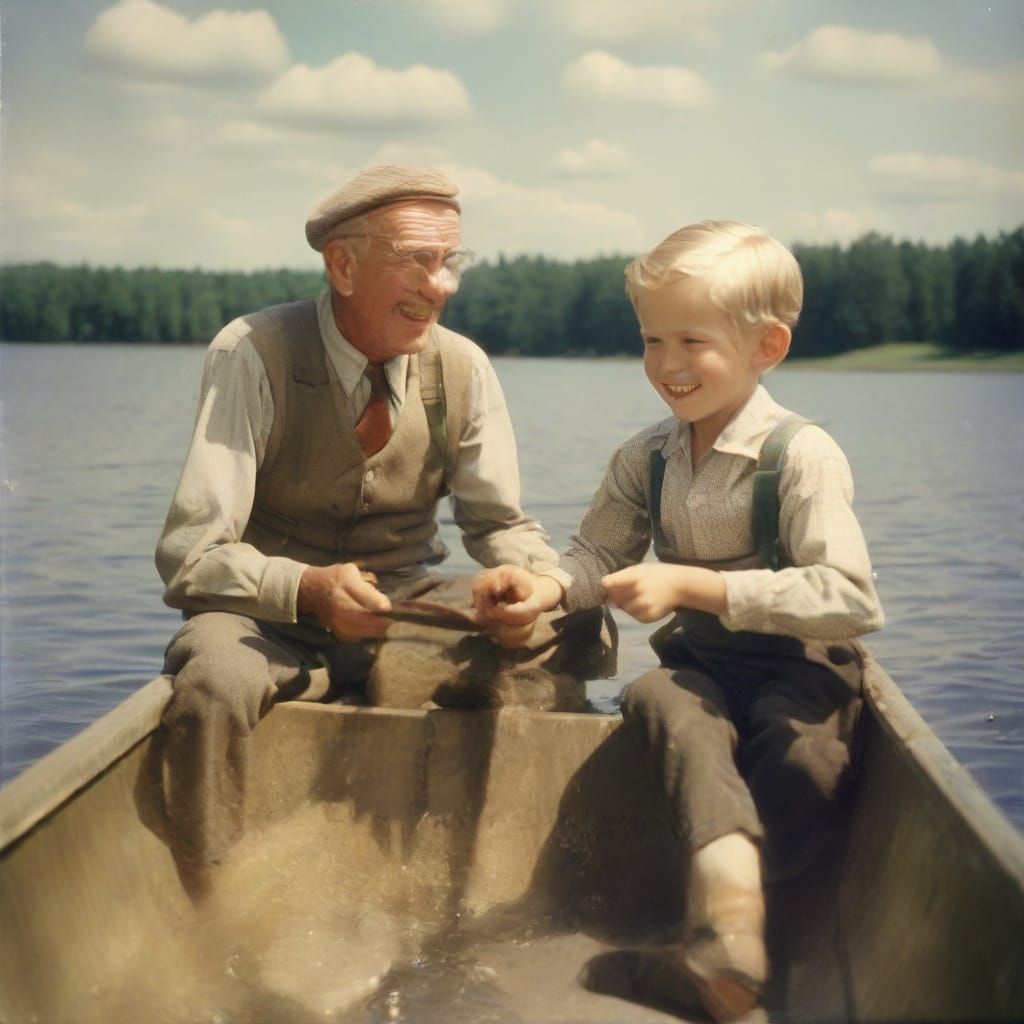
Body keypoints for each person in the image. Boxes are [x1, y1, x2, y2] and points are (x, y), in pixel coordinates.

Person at [154, 164, 609, 897]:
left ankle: (498, 869)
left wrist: (522, 580)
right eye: (417, 261)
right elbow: (190, 556)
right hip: (266, 620)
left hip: (407, 609)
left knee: (578, 617)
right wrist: (305, 588)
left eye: (450, 261)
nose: (441, 286)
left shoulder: (462, 367)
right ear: (342, 266)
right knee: (212, 682)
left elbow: (499, 524)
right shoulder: (252, 352)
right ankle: (209, 893)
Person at [473, 220, 883, 1022]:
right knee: (659, 699)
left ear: (767, 346)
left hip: (802, 666)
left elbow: (851, 598)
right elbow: (597, 553)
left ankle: (754, 940)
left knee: (799, 758)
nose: (667, 364)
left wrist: (695, 585)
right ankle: (727, 930)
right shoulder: (646, 457)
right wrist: (544, 587)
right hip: (704, 665)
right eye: (652, 340)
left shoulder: (801, 456)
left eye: (692, 341)